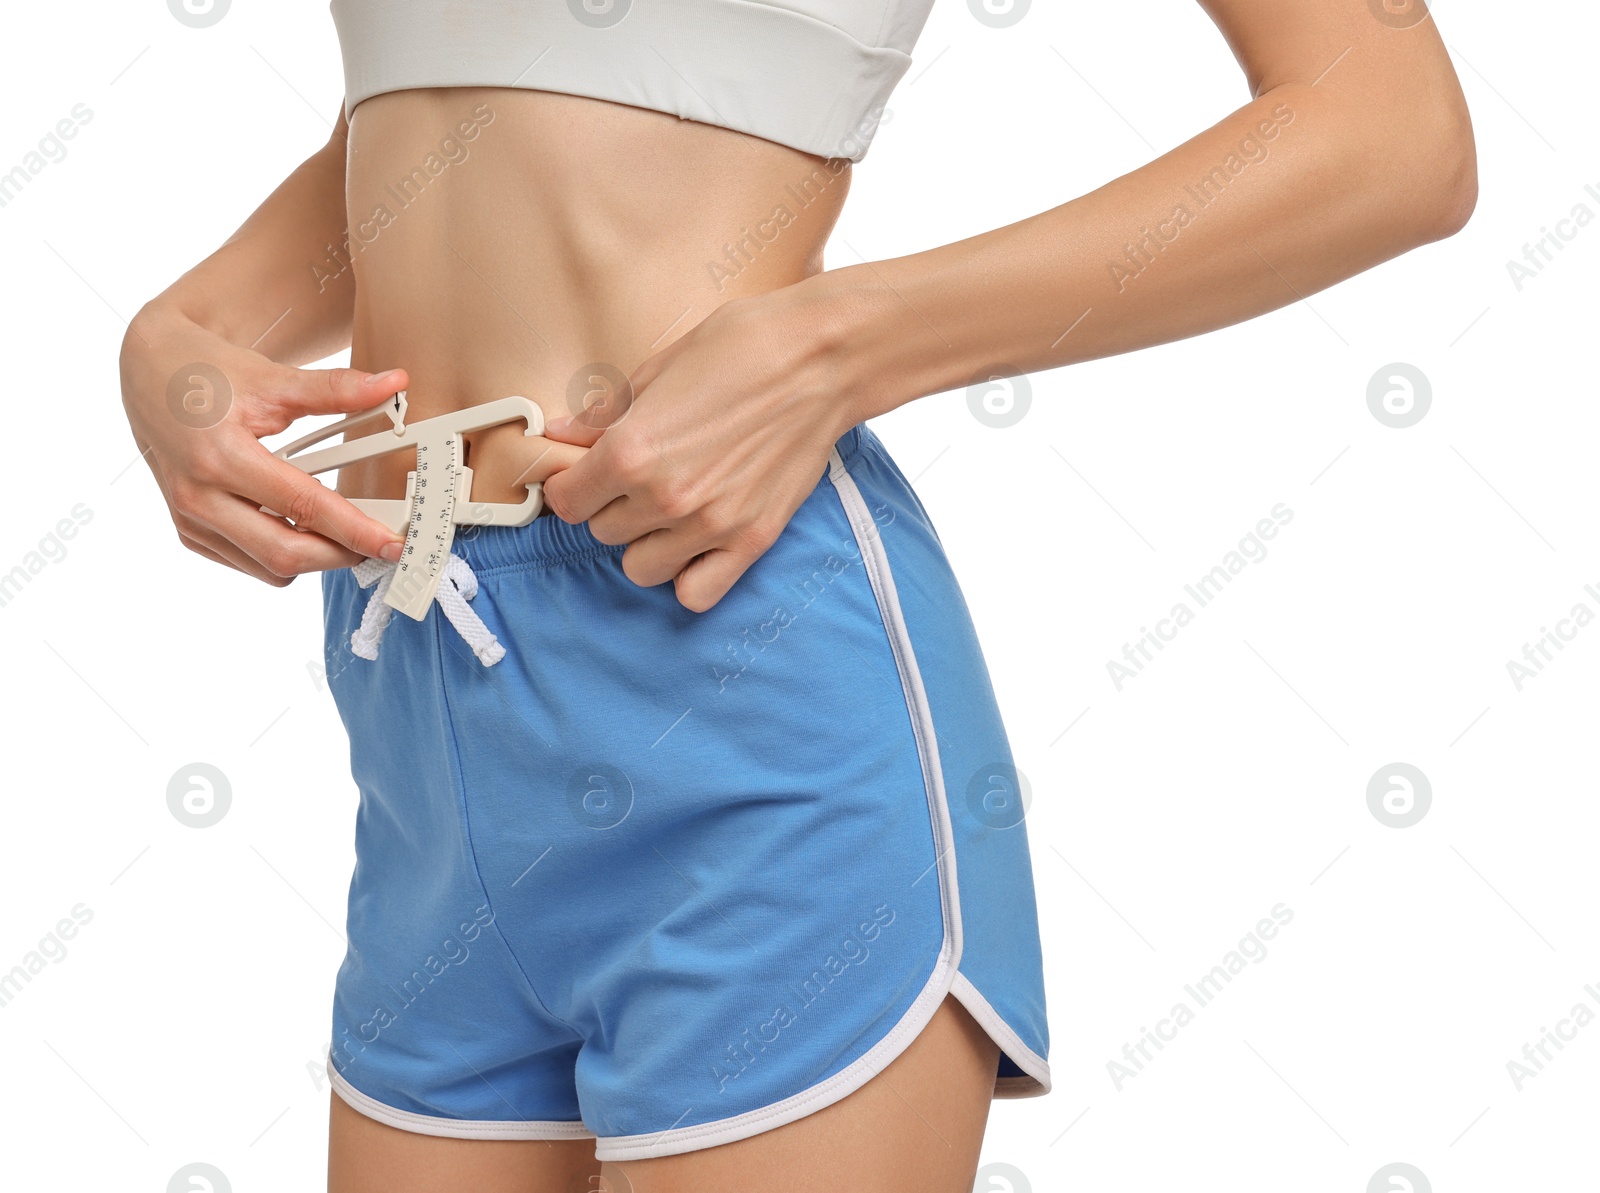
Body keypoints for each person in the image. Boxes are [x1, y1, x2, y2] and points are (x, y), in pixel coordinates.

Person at [118, 1, 1476, 1189]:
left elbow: (1391, 127)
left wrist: (839, 342)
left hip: (736, 685)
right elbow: (479, 99)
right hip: (420, 707)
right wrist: (187, 334)